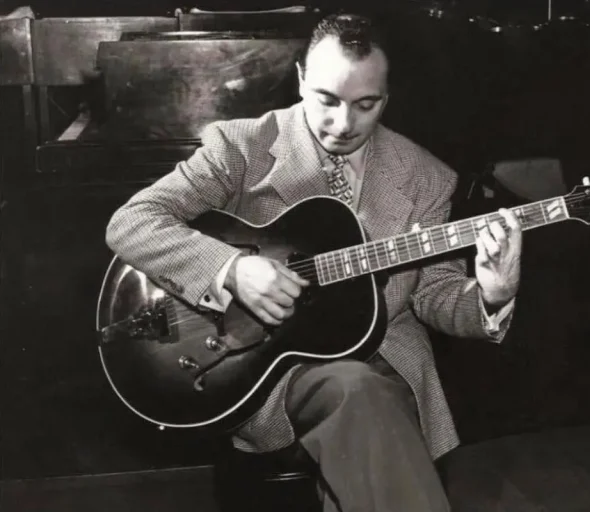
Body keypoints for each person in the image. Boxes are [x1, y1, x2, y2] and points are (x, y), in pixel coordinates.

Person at [106, 13, 522, 512]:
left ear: (386, 98)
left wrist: (492, 295)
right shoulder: (243, 147)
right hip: (268, 368)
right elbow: (132, 221)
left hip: (386, 359)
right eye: (327, 99)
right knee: (359, 394)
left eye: (366, 105)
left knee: (369, 396)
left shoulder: (426, 178)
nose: (343, 124)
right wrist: (231, 270)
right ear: (301, 78)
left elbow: (434, 295)